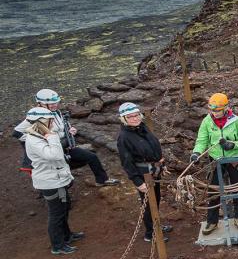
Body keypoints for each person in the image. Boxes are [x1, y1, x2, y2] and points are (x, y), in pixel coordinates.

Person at [14, 89, 120, 187]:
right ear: (41, 103)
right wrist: (40, 139)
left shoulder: (57, 112)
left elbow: (62, 126)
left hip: (64, 147)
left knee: (92, 157)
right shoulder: (36, 116)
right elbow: (17, 133)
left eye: (56, 102)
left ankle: (102, 180)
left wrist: (70, 130)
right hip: (50, 151)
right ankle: (51, 192)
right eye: (51, 103)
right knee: (55, 173)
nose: (55, 105)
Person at [24, 107, 84, 255]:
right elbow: (55, 155)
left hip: (56, 179)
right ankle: (58, 245)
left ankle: (67, 235)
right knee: (56, 213)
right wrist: (52, 137)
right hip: (50, 182)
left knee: (64, 207)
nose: (53, 123)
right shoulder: (34, 139)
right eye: (50, 120)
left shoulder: (39, 135)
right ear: (43, 122)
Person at [191, 93, 238, 235]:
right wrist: (196, 153)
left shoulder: (235, 120)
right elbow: (202, 140)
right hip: (215, 160)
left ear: (226, 108)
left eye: (217, 110)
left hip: (234, 159)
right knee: (214, 190)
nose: (215, 113)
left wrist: (233, 146)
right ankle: (212, 221)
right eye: (212, 110)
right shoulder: (207, 121)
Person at [116, 102, 173, 243]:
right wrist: (137, 181)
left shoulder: (142, 128)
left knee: (156, 199)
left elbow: (153, 146)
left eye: (137, 115)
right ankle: (150, 233)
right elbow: (126, 162)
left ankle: (156, 225)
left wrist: (161, 164)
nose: (135, 119)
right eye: (130, 117)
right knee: (148, 203)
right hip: (143, 175)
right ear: (124, 119)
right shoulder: (124, 137)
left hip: (154, 171)